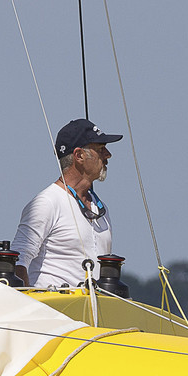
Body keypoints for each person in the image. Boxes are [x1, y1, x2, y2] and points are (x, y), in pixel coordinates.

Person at [12, 118, 121, 288]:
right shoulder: (46, 203)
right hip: (52, 311)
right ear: (79, 156)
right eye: (100, 149)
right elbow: (17, 261)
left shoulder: (100, 208)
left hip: (90, 311)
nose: (108, 155)